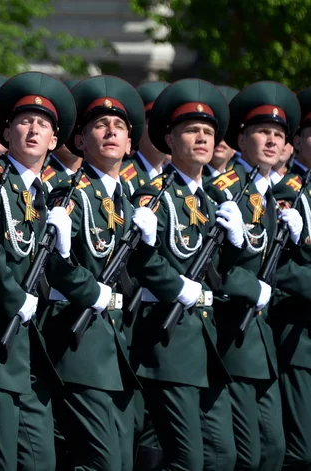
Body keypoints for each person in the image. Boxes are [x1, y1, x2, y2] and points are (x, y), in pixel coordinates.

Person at [0, 72, 76, 471]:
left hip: (35, 344)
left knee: (40, 458)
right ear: (6, 131)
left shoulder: (50, 193)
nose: (33, 130)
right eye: (24, 122)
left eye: (42, 124)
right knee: (2, 459)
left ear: (54, 138)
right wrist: (14, 298)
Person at [130, 79, 242, 470]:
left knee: (224, 456)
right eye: (192, 131)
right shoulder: (153, 194)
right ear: (170, 139)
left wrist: (239, 242)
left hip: (208, 344)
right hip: (170, 343)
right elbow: (142, 260)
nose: (202, 139)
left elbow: (226, 271)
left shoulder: (216, 200)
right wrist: (178, 287)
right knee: (187, 460)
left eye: (208, 133)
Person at [42, 75, 151, 470]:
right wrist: (93, 292)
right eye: (99, 127)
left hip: (120, 348)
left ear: (130, 143)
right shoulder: (69, 194)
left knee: (122, 461)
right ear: (81, 141)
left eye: (119, 127)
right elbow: (56, 266)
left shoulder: (127, 200)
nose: (110, 132)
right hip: (81, 345)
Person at [205, 81, 303, 470]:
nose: (272, 141)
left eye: (279, 135)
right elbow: (209, 265)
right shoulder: (223, 191)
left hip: (265, 340)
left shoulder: (283, 195)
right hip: (234, 332)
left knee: (274, 451)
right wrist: (251, 286)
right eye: (262, 132)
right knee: (246, 455)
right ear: (240, 139)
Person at [271, 86, 311, 470]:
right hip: (300, 336)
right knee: (301, 451)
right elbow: (273, 264)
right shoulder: (286, 195)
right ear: (297, 141)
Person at [120, 81, 170, 197]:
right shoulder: (124, 177)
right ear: (140, 129)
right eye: (153, 124)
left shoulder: (173, 178)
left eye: (167, 125)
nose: (160, 131)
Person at [203, 86, 239, 185]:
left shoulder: (240, 184)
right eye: (216, 131)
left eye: (227, 132)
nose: (222, 139)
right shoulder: (194, 182)